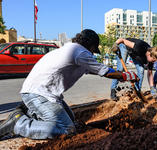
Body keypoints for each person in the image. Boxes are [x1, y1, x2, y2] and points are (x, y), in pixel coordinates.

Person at [0, 29, 139, 139]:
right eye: (93, 49)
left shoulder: (71, 50)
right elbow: (104, 71)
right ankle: (20, 125)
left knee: (71, 119)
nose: (92, 53)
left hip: (39, 92)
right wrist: (127, 75)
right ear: (90, 45)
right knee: (67, 129)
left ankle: (30, 113)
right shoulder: (80, 52)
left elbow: (95, 70)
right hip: (38, 94)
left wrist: (118, 75)